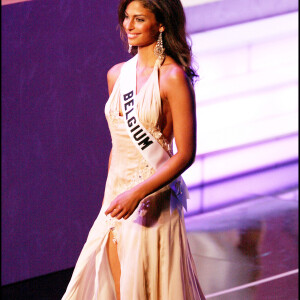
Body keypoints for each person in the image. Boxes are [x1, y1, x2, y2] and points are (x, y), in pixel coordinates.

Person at [62, 0, 206, 299]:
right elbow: (118, 144)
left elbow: (185, 154)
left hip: (150, 196)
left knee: (149, 286)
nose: (128, 26)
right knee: (117, 284)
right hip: (117, 195)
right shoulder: (116, 75)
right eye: (126, 18)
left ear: (161, 23)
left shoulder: (173, 77)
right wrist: (110, 199)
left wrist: (137, 193)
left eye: (139, 19)